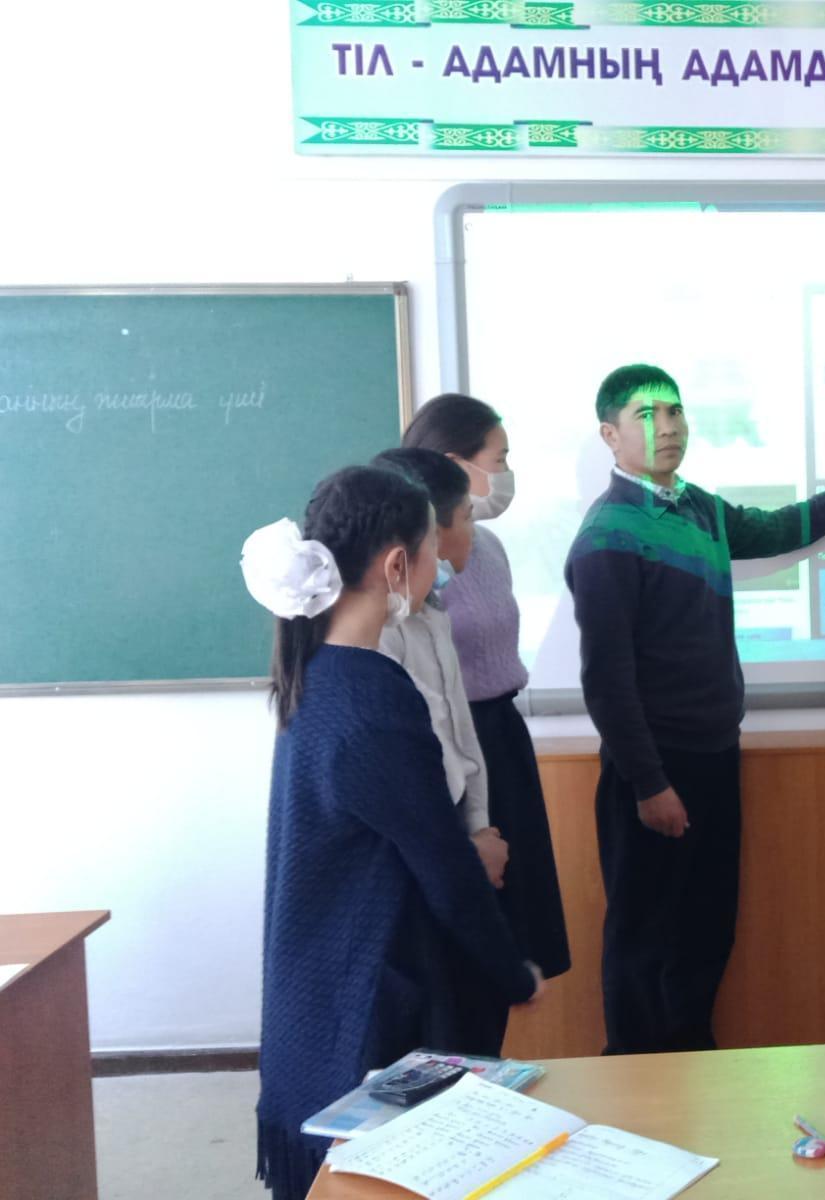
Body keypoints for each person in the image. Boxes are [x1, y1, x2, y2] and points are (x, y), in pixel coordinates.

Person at [566, 363, 825, 1055]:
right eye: (646, 415)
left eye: (675, 412)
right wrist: (650, 784)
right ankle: (635, 1078)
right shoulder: (606, 536)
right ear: (610, 435)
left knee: (705, 929)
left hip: (715, 756)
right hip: (655, 770)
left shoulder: (698, 507)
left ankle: (692, 1068)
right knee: (645, 937)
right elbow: (607, 681)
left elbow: (777, 527)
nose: (667, 427)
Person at [245, 466, 536, 1200]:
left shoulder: (317, 669)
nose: (444, 564)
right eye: (434, 547)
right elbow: (445, 869)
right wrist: (512, 974)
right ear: (397, 565)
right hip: (368, 998)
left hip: (321, 983)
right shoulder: (371, 698)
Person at [403, 394, 572, 990]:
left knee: (517, 925)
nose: (506, 474)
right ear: (456, 465)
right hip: (453, 743)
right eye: (499, 459)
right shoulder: (416, 565)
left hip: (503, 738)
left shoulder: (491, 547)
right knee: (469, 932)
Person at [374, 446, 521, 1055]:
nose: (469, 533)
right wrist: (465, 851)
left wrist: (481, 828)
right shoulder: (380, 637)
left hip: (463, 839)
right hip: (429, 857)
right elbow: (418, 772)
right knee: (437, 1029)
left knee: (474, 1015)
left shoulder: (433, 616)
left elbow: (464, 741)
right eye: (462, 520)